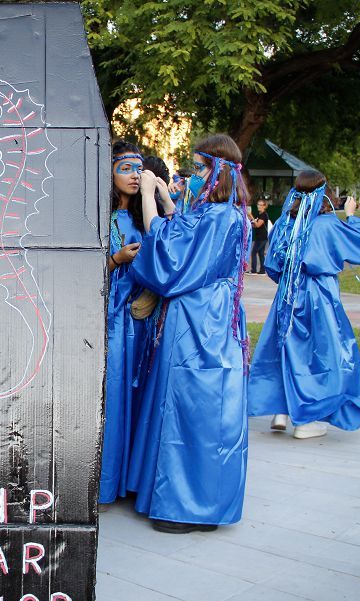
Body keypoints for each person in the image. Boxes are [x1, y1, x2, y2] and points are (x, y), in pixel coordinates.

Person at [126, 134, 250, 534]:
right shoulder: (222, 213)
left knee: (189, 407)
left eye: (199, 169)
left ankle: (184, 505)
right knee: (203, 410)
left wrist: (148, 197)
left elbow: (170, 255)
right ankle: (200, 502)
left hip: (200, 323)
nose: (193, 176)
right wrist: (165, 201)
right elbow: (184, 230)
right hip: (210, 318)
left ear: (218, 172)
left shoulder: (218, 217)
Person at [248, 171, 360, 439]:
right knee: (319, 355)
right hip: (319, 297)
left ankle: (282, 411)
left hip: (288, 296)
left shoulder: (287, 224)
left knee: (286, 349)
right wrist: (352, 214)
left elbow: (273, 267)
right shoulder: (327, 224)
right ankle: (306, 419)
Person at [99, 141, 159, 504]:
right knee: (113, 392)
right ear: (108, 173)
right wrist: (116, 259)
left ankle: (130, 480)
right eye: (126, 168)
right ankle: (105, 482)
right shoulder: (95, 216)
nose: (135, 176)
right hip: (109, 317)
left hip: (141, 316)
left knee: (138, 391)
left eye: (138, 169)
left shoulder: (142, 218)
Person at [250, 198, 270, 274]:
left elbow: (258, 225)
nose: (259, 206)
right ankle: (262, 270)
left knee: (254, 252)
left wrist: (250, 216)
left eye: (261, 205)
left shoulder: (263, 215)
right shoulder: (260, 215)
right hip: (260, 237)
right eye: (258, 204)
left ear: (264, 206)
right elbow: (256, 225)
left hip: (262, 237)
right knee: (261, 253)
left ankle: (253, 270)